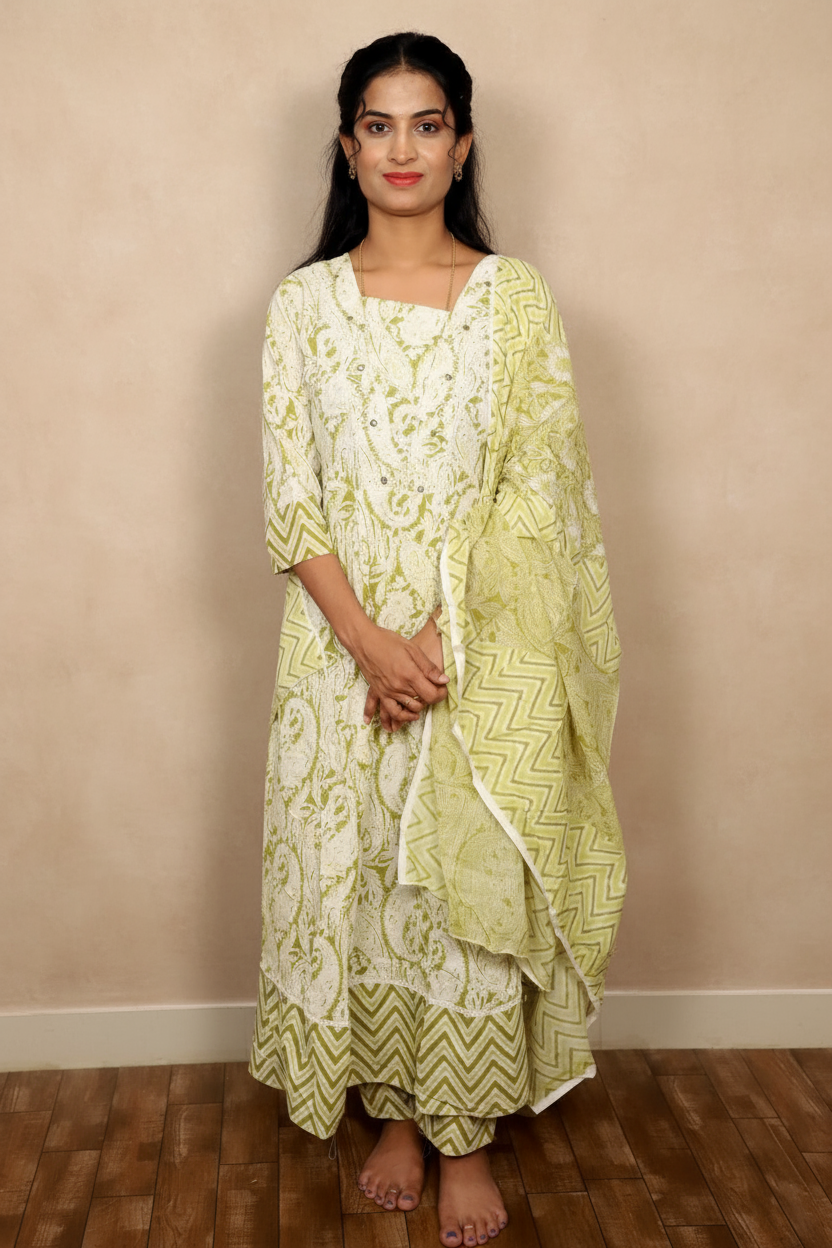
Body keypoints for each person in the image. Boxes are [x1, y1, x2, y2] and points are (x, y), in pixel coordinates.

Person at [248, 31, 627, 1248]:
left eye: (426, 124)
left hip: (479, 655)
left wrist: (439, 642)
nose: (401, 148)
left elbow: (540, 491)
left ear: (462, 145)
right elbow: (291, 502)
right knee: (361, 879)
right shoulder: (301, 307)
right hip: (337, 657)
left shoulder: (514, 298)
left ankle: (461, 1133)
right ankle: (393, 1119)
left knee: (461, 889)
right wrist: (370, 643)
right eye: (377, 124)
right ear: (346, 146)